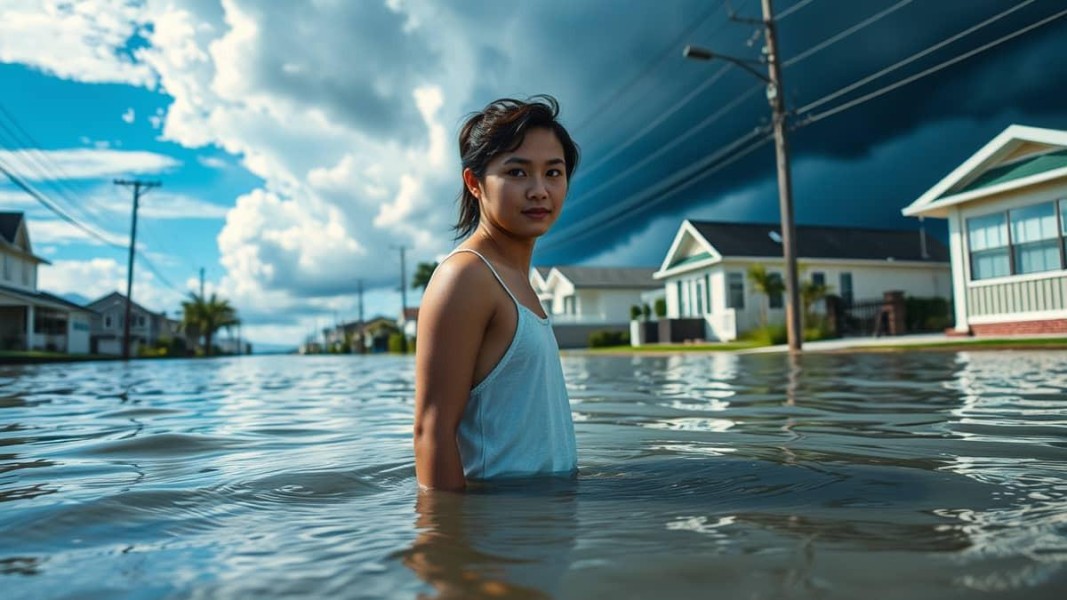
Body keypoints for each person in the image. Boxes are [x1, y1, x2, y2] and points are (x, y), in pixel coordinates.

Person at [414, 95, 581, 491]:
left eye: (553, 173)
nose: (539, 190)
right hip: (502, 537)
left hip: (540, 527)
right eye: (517, 173)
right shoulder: (466, 277)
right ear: (474, 183)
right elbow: (430, 433)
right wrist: (449, 545)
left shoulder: (518, 280)